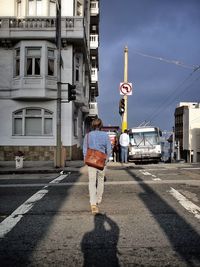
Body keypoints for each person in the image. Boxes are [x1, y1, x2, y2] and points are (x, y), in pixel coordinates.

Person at [83, 118, 112, 215]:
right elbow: (109, 149)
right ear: (101, 125)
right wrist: (106, 160)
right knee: (100, 180)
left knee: (91, 181)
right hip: (101, 162)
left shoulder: (87, 136)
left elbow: (85, 149)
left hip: (91, 161)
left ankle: (93, 202)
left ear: (92, 125)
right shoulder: (105, 135)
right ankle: (99, 199)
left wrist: (86, 159)